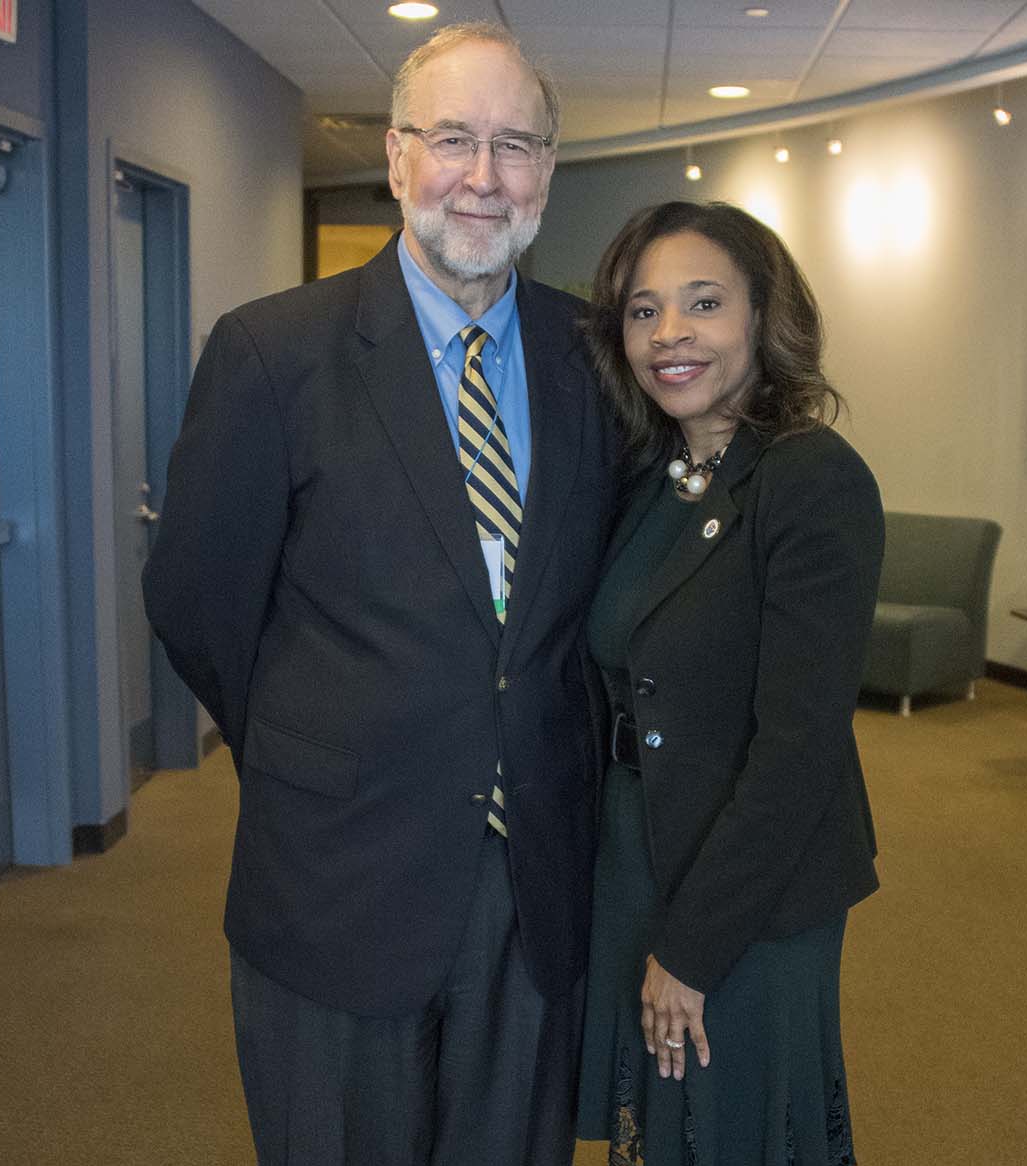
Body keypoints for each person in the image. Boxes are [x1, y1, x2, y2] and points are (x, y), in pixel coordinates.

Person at [142, 22, 616, 1166]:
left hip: (536, 886)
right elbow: (200, 608)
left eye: (514, 144)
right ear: (399, 156)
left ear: (547, 170)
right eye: (453, 138)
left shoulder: (596, 358)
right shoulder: (271, 353)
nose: (483, 176)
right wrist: (327, 754)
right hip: (334, 883)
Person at [575, 200, 884, 1165]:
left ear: (762, 316)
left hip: (750, 882)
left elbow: (798, 748)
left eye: (702, 304)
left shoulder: (810, 480)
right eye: (642, 310)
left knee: (733, 1124)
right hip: (638, 847)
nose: (669, 335)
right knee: (660, 1126)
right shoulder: (650, 473)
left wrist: (694, 948)